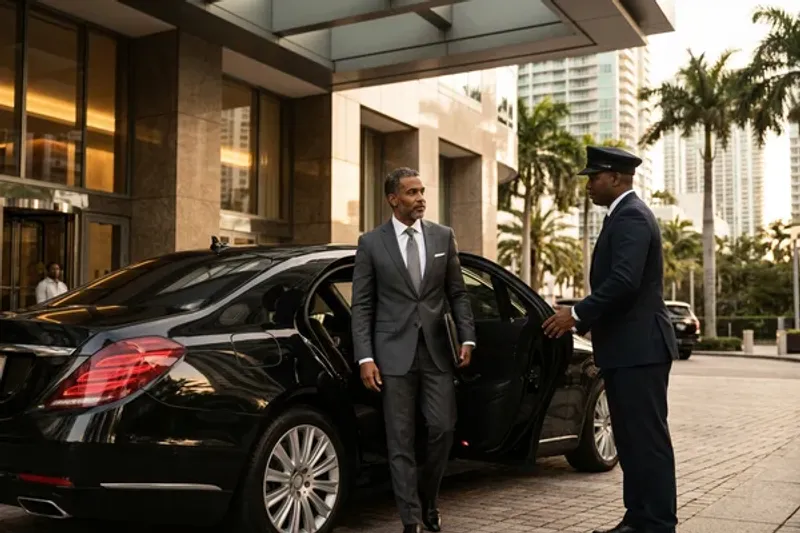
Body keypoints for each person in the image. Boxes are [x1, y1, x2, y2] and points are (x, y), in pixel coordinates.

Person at [542, 146, 679, 533]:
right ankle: (639, 519)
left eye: (593, 177)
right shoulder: (621, 216)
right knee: (632, 441)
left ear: (615, 178)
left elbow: (623, 280)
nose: (588, 185)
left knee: (646, 440)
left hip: (640, 349)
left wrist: (577, 315)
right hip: (627, 350)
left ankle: (655, 523)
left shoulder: (632, 216)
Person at [351, 167, 476, 533]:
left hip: (437, 351)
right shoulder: (371, 243)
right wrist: (365, 356)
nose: (420, 198)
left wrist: (467, 338)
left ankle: (428, 500)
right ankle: (411, 520)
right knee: (400, 439)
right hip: (391, 355)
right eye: (411, 192)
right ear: (393, 199)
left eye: (422, 191)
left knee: (442, 429)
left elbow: (457, 293)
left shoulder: (443, 236)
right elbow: (362, 305)